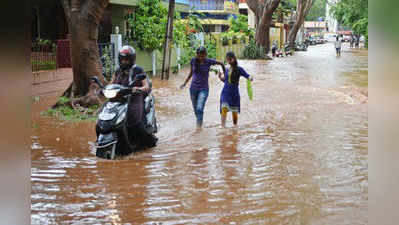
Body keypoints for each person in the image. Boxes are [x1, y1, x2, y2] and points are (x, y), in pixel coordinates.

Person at [111, 45, 157, 147]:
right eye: (122, 60)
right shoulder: (118, 71)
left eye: (126, 60)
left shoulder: (138, 70)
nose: (124, 62)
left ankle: (150, 141)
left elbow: (146, 85)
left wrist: (139, 89)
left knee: (136, 122)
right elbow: (111, 83)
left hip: (135, 98)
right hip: (119, 99)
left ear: (131, 59)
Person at [180, 46, 226, 129]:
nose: (201, 58)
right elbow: (191, 73)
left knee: (199, 109)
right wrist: (185, 83)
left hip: (204, 89)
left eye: (203, 55)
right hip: (193, 89)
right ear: (196, 55)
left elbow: (221, 63)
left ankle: (198, 129)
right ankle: (200, 125)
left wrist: (225, 74)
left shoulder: (209, 61)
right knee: (196, 111)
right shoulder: (193, 61)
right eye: (199, 55)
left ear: (206, 55)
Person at [218, 52, 253, 127]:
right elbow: (226, 80)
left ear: (234, 59)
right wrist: (220, 77)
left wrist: (250, 78)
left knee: (234, 113)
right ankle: (223, 127)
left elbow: (247, 75)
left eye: (230, 59)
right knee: (224, 108)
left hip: (234, 93)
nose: (229, 61)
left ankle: (235, 128)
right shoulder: (227, 69)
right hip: (225, 92)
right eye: (228, 60)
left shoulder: (239, 69)